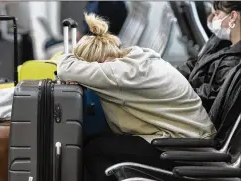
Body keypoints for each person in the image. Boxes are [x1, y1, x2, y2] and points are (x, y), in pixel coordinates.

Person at [57, 13, 216, 181]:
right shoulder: (135, 57)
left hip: (186, 148)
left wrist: (77, 67)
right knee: (102, 142)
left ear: (97, 64)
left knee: (95, 151)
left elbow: (65, 67)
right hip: (191, 137)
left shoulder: (117, 73)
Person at [177, 1, 241, 113]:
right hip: (186, 99)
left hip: (191, 112)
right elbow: (198, 63)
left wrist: (173, 89)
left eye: (217, 14)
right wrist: (171, 74)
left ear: (232, 17)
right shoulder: (220, 42)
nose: (212, 19)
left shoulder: (233, 63)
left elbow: (208, 98)